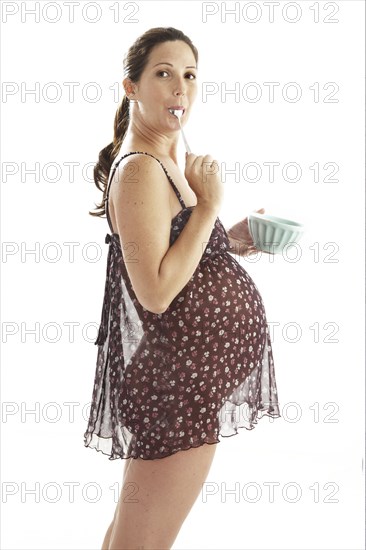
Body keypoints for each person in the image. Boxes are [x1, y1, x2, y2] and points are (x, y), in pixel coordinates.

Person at [84, 26, 281, 550]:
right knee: (142, 544)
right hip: (178, 388)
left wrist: (226, 239)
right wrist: (210, 206)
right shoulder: (140, 171)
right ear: (132, 88)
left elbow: (174, 251)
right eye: (164, 74)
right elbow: (154, 291)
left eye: (189, 75)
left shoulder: (166, 157)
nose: (180, 88)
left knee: (130, 539)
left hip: (187, 382)